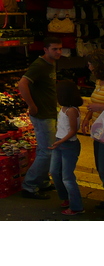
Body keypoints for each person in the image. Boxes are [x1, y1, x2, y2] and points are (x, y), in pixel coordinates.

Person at [17, 36, 63, 199]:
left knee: (45, 150)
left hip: (50, 112)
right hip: (42, 115)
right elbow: (22, 84)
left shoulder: (51, 63)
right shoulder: (39, 65)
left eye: (59, 49)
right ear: (45, 50)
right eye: (54, 49)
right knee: (47, 152)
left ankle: (43, 181)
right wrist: (32, 105)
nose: (58, 52)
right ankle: (29, 186)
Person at [49, 79, 84, 216]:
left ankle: (77, 207)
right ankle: (66, 198)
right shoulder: (63, 108)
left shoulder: (72, 110)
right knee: (54, 171)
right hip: (60, 142)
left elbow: (73, 131)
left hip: (68, 145)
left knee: (67, 177)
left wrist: (60, 141)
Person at [80, 49, 104, 209]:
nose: (89, 67)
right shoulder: (98, 81)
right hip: (99, 131)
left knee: (103, 166)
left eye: (90, 64)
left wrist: (100, 106)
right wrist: (87, 117)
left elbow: (97, 104)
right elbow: (93, 102)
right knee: (100, 165)